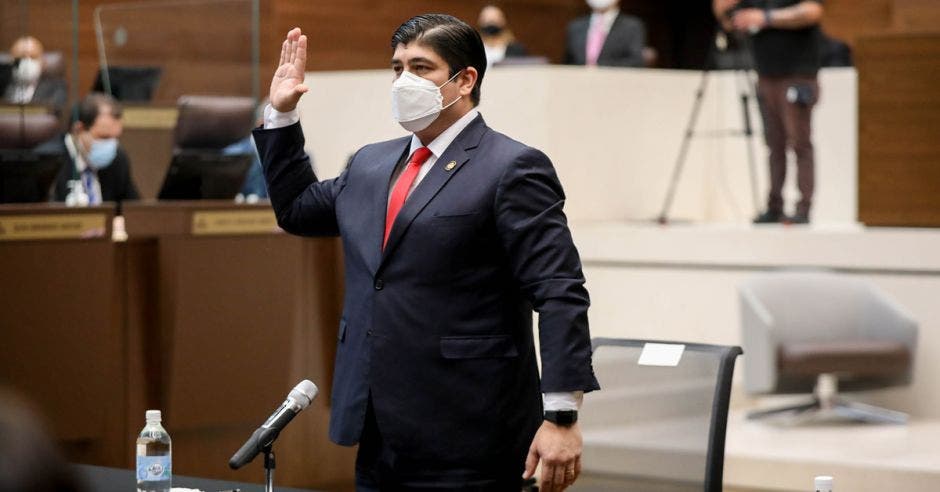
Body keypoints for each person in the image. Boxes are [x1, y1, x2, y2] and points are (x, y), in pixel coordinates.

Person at [255, 15, 599, 491]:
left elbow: (559, 291)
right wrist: (282, 116)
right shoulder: (371, 163)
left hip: (471, 430)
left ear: (465, 79)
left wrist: (561, 414)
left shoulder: (512, 167)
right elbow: (296, 210)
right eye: (397, 68)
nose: (404, 81)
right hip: (378, 427)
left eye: (421, 67)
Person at [714, 0, 824, 224]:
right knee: (774, 144)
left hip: (797, 74)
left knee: (800, 142)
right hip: (765, 74)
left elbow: (813, 12)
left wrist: (766, 18)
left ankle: (803, 207)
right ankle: (774, 206)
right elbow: (728, 22)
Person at [48, 93, 139, 204]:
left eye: (116, 137)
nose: (111, 144)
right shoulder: (52, 159)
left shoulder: (118, 159)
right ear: (78, 130)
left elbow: (134, 209)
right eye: (104, 137)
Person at [564, 0, 646, 67]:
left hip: (615, 82)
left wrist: (600, 67)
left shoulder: (632, 26)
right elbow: (568, 61)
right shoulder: (575, 26)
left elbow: (636, 61)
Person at [3, 36, 67, 109]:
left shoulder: (55, 87)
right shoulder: (4, 85)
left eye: (33, 57)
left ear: (42, 61)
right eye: (20, 58)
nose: (26, 62)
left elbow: (53, 112)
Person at [477, 4, 528, 69]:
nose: (491, 23)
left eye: (494, 20)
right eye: (487, 20)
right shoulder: (472, 49)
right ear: (480, 22)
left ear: (503, 21)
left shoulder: (517, 50)